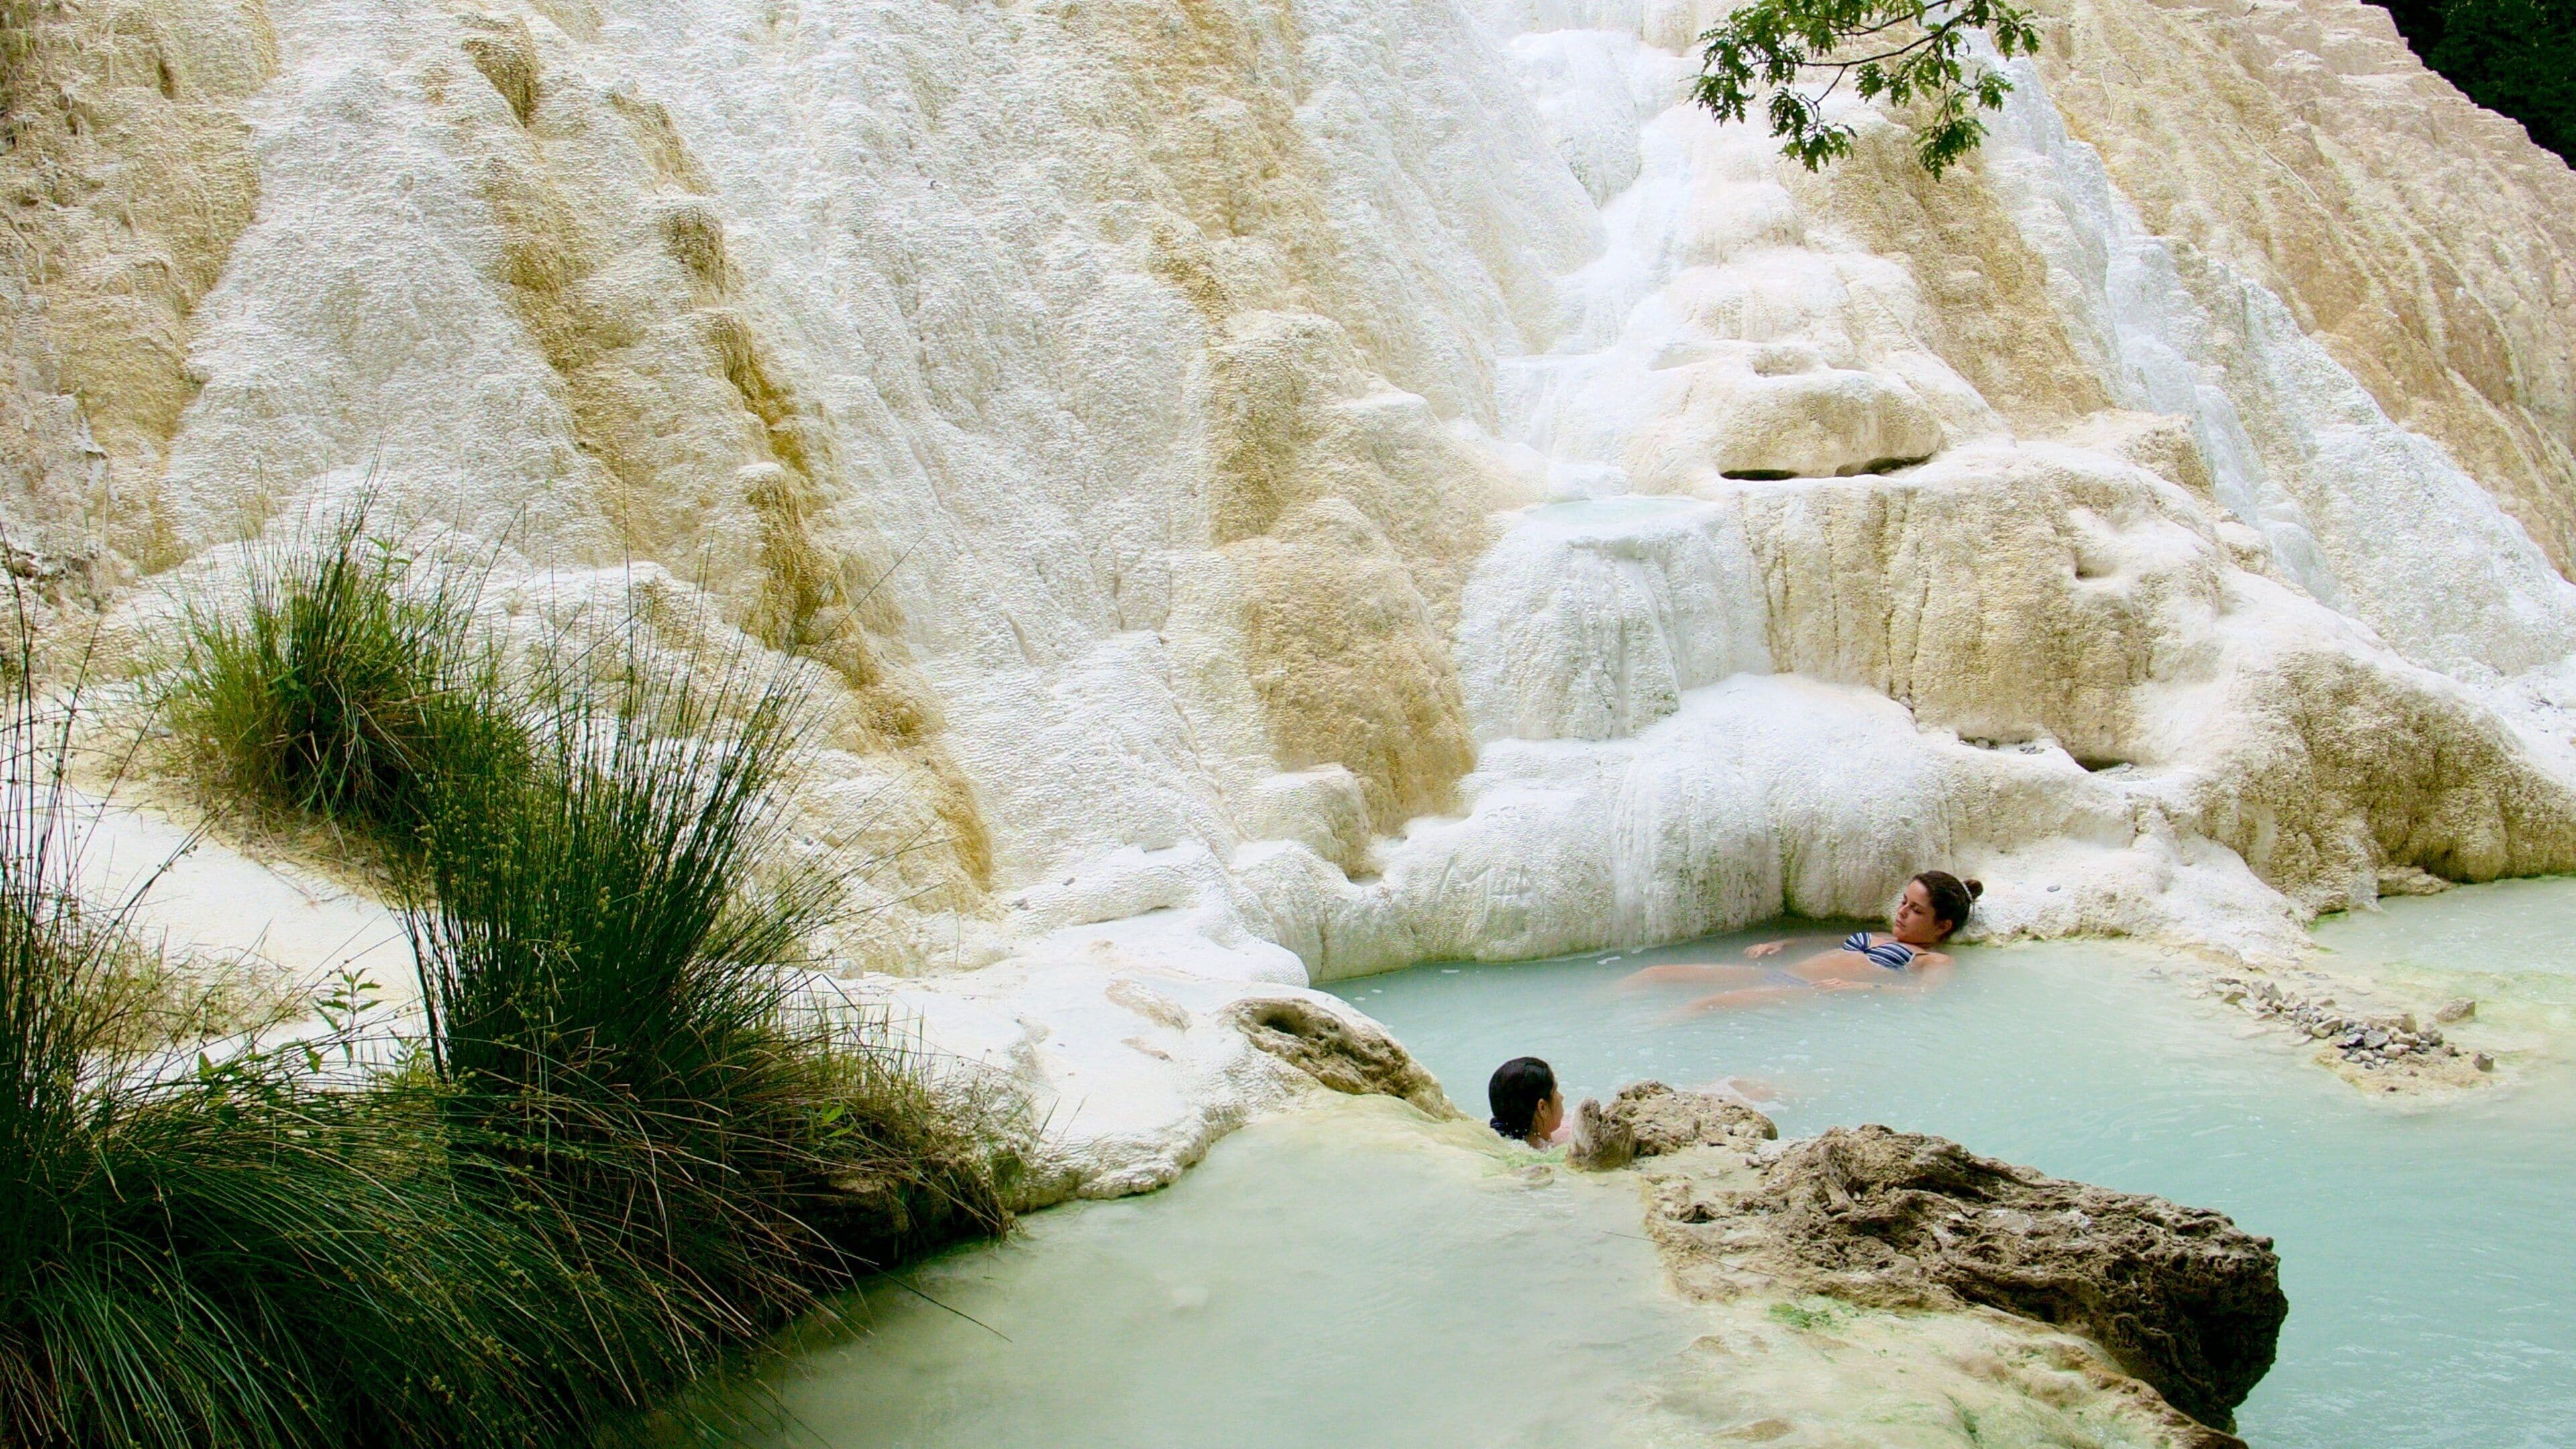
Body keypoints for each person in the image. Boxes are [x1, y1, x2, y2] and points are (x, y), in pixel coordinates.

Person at [1619, 871, 1984, 1012]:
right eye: (1904, 902)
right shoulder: (1881, 936)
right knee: (1657, 971)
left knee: (1707, 1005)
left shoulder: (1932, 960)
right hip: (1781, 973)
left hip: (1809, 991)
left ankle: (1635, 1036)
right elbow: (1825, 940)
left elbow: (1924, 998)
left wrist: (1857, 987)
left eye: (1917, 910)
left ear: (1942, 926)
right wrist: (1784, 943)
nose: (1903, 912)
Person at [1487, 1055, 1568, 1148]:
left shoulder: (1503, 1143)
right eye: (1556, 1091)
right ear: (1542, 1107)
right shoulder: (1550, 1156)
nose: (1561, 1097)